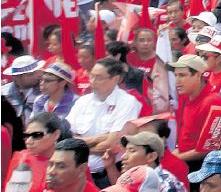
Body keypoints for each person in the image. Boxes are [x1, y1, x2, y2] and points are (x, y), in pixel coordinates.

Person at [65, 58, 141, 188]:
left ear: (115, 79)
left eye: (99, 78)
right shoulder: (82, 102)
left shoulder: (127, 102)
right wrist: (102, 137)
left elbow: (111, 144)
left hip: (106, 175)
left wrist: (79, 145)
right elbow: (66, 138)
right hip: (79, 175)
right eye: (91, 76)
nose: (93, 81)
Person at [168, 55, 221, 170]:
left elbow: (209, 148)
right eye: (176, 75)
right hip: (184, 161)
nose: (177, 81)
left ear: (198, 75)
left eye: (182, 75)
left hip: (200, 168)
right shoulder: (185, 97)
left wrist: (176, 157)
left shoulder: (212, 102)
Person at [101, 132, 184, 191]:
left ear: (151, 156)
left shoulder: (167, 186)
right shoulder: (134, 174)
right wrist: (110, 166)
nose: (123, 157)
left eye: (132, 150)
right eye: (125, 151)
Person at [4, 112, 66, 191]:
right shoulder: (22, 158)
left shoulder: (71, 162)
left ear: (56, 135)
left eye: (36, 135)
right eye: (26, 136)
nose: (28, 141)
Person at [1, 55, 44, 123]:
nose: (36, 76)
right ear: (16, 77)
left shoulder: (45, 90)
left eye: (36, 72)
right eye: (30, 74)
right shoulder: (3, 93)